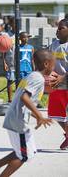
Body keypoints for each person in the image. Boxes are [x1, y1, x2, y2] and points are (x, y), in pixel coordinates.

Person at [0, 49, 54, 177]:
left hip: (16, 118)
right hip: (17, 121)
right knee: (23, 156)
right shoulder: (38, 79)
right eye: (53, 63)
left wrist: (34, 115)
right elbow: (24, 98)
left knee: (28, 151)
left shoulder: (31, 76)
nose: (54, 67)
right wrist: (39, 116)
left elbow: (21, 101)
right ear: (47, 64)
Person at [48, 18, 68, 150]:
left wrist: (62, 77)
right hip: (57, 84)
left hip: (65, 80)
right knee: (55, 113)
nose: (58, 30)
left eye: (61, 28)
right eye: (58, 28)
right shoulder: (54, 44)